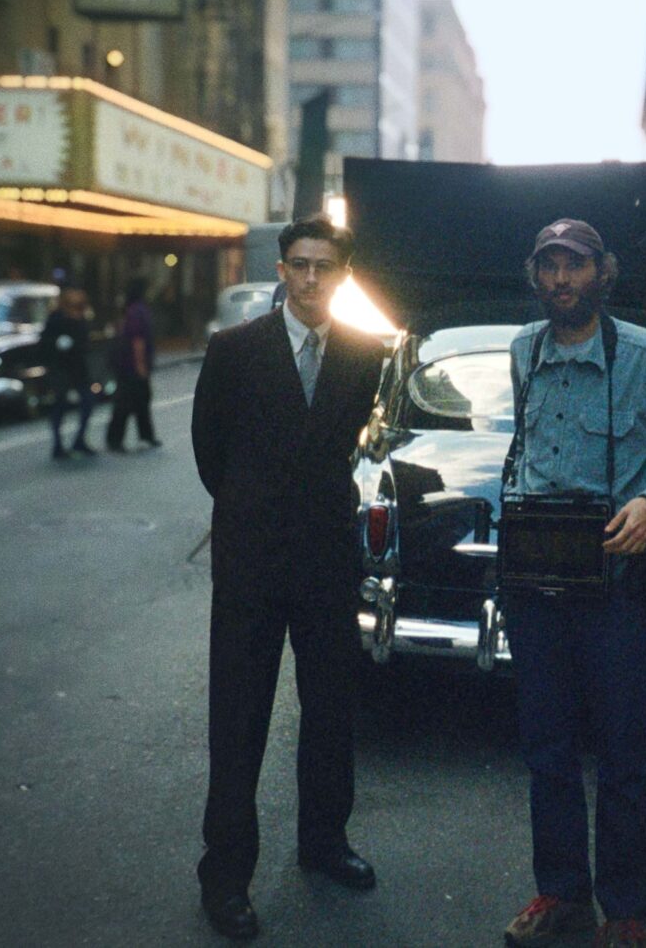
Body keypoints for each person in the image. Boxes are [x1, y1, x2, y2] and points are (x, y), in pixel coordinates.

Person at [501, 219, 646, 948]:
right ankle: (561, 893)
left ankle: (626, 912)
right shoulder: (523, 350)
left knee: (622, 756)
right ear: (535, 275)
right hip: (537, 587)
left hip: (616, 589)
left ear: (603, 272)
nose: (561, 279)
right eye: (549, 266)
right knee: (547, 751)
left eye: (575, 265)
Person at [189, 215, 385, 941]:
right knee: (238, 719)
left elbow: (342, 446)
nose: (309, 278)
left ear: (342, 275)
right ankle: (225, 876)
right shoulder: (235, 349)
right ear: (280, 269)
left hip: (327, 559)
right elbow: (210, 450)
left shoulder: (365, 353)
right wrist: (251, 509)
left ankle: (324, 841)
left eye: (323, 266)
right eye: (298, 264)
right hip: (251, 563)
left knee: (331, 709)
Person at [42, 287, 97, 460]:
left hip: (78, 367)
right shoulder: (56, 318)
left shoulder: (81, 317)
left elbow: (84, 341)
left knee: (88, 402)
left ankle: (79, 439)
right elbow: (45, 343)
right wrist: (57, 345)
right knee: (60, 404)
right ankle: (58, 444)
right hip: (61, 367)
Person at [106, 278, 159, 452]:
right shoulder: (139, 311)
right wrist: (140, 365)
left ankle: (145, 435)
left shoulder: (131, 310)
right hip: (132, 366)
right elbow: (138, 340)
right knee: (128, 402)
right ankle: (116, 439)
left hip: (127, 364)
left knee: (139, 400)